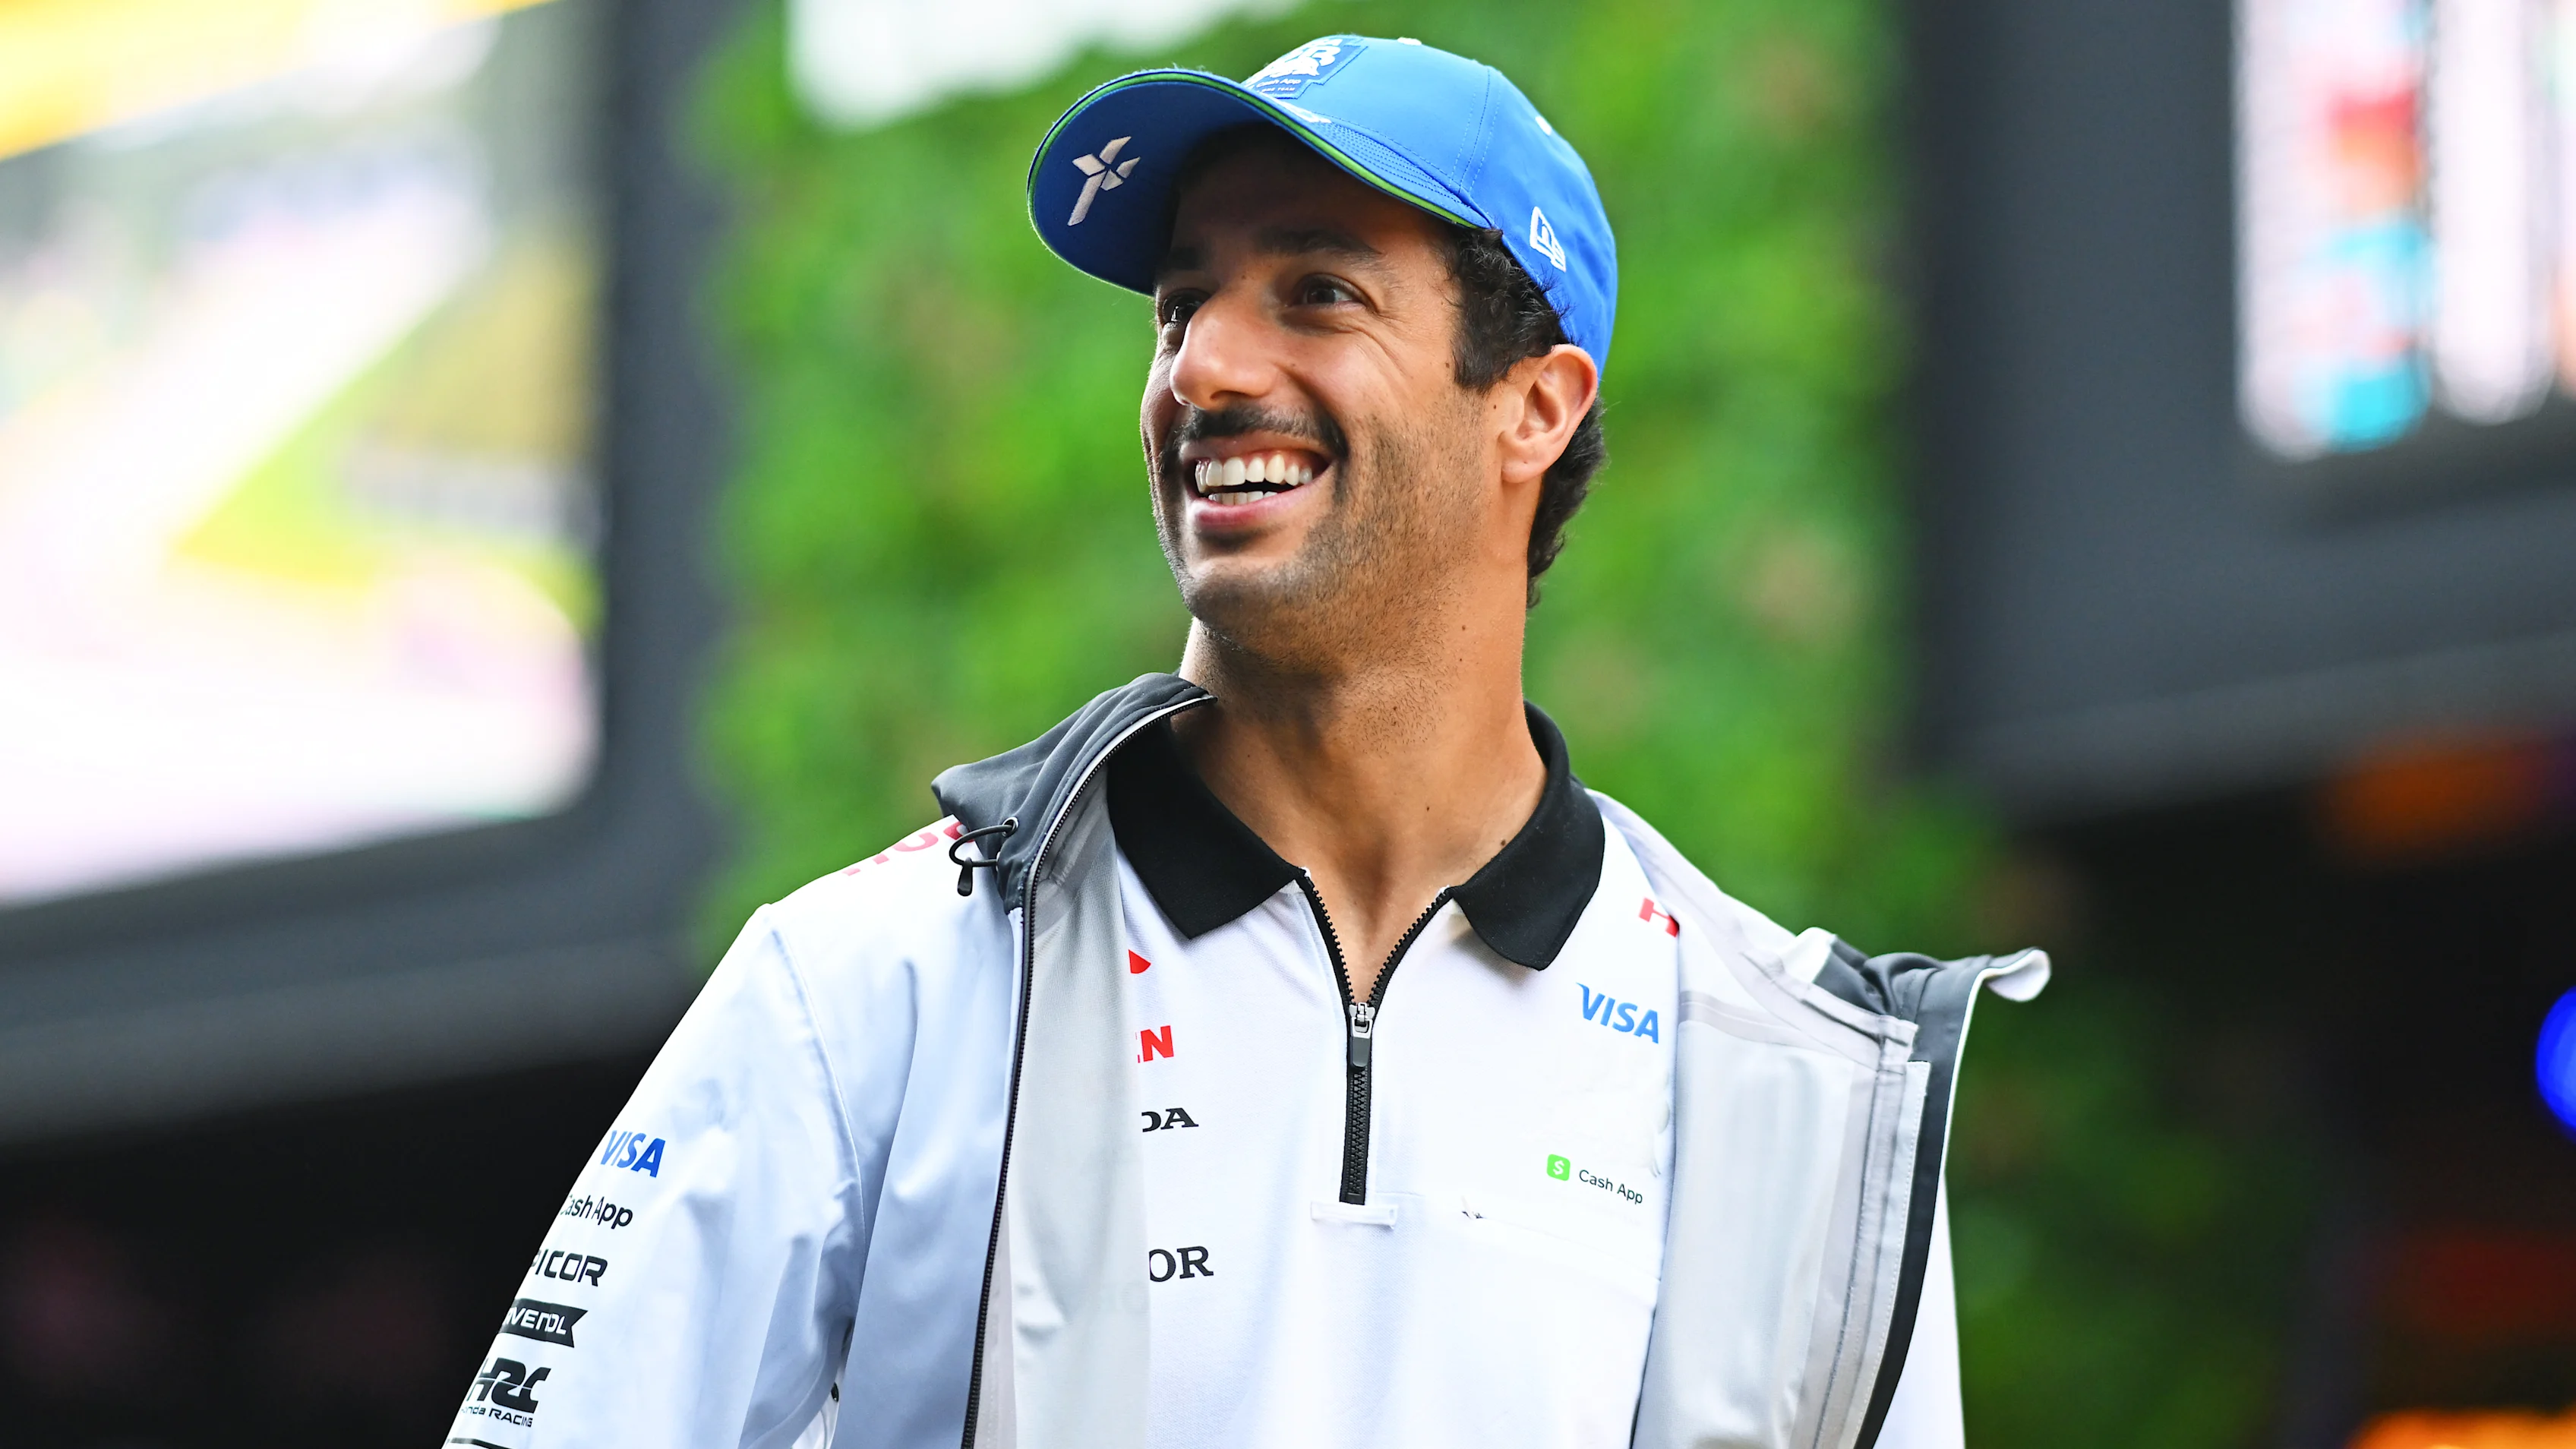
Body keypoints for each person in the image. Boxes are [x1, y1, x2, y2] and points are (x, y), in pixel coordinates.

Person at [447, 34, 2046, 1449]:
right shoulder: (869, 986)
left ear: (1535, 407)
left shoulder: (1791, 1076)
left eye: (1316, 293)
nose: (1203, 365)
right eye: (1181, 302)